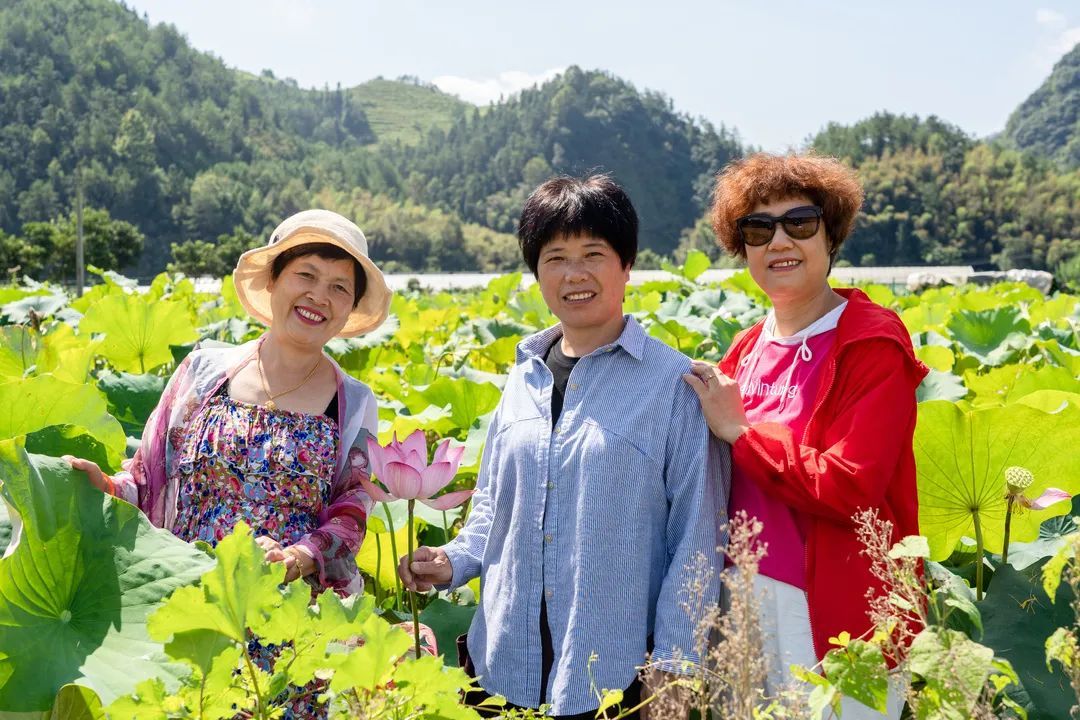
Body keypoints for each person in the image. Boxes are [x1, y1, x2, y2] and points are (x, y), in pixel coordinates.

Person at [399, 175, 727, 719]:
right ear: (537, 272)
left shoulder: (676, 386)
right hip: (502, 666)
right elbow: (494, 508)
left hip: (612, 679)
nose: (574, 274)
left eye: (593, 253)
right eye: (555, 257)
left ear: (626, 265)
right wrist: (451, 561)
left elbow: (696, 541)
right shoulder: (521, 375)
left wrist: (673, 672)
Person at [64, 209, 392, 718]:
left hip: (289, 624)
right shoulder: (202, 371)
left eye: (338, 288)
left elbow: (351, 513)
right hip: (190, 603)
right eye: (305, 275)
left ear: (349, 309)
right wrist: (103, 486)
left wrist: (299, 558)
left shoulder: (352, 401)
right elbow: (147, 477)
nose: (318, 297)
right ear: (275, 280)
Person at [683, 153, 927, 719]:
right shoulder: (744, 349)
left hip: (843, 613)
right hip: (741, 598)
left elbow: (852, 485)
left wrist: (742, 434)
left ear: (830, 233)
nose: (779, 242)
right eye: (758, 229)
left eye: (800, 223)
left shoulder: (871, 343)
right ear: (741, 246)